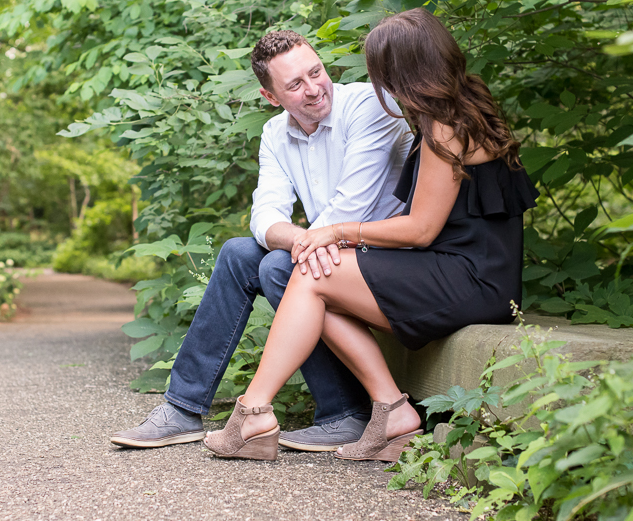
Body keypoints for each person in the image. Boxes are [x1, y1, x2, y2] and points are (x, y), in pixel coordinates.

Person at [203, 8, 540, 461]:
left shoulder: (445, 126)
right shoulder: (455, 108)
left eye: (382, 73)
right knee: (316, 277)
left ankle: (254, 412)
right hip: (464, 269)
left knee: (312, 274)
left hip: (472, 278)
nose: (379, 83)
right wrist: (328, 241)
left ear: (404, 72)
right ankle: (392, 413)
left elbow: (420, 230)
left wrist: (336, 232)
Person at [111, 30, 414, 451]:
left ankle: (345, 411)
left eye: (316, 72)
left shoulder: (369, 107)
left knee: (277, 265)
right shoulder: (275, 133)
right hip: (326, 251)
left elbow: (351, 209)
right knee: (239, 253)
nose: (313, 90)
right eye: (295, 85)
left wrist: (294, 245)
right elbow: (266, 213)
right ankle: (182, 409)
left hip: (386, 253)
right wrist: (295, 239)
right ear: (270, 96)